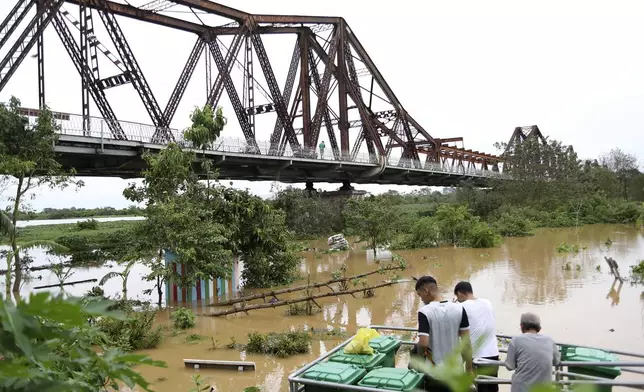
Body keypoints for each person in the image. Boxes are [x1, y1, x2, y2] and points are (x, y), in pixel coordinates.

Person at [415, 276, 473, 392]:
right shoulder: (459, 309)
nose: (421, 299)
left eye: (419, 294)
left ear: (426, 291)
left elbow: (423, 343)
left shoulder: (425, 312)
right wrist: (469, 370)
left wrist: (420, 359)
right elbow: (466, 343)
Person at [454, 281, 500, 392]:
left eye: (457, 296)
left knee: (479, 388)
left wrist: (455, 305)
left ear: (460, 294)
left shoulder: (461, 307)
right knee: (492, 388)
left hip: (477, 357)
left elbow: (458, 332)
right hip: (493, 354)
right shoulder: (487, 302)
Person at [505, 313, 560, 392]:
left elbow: (509, 366)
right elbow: (556, 362)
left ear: (521, 326)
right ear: (539, 327)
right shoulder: (549, 340)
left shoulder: (516, 340)